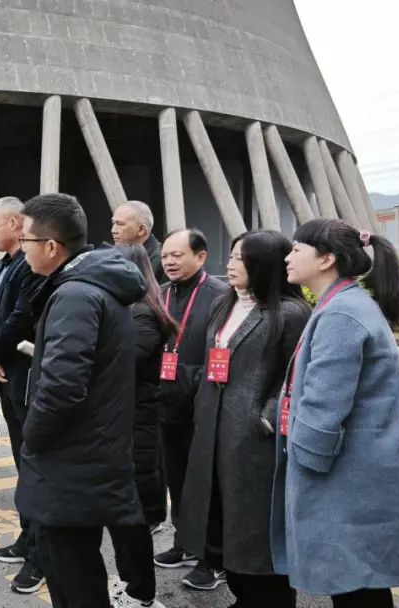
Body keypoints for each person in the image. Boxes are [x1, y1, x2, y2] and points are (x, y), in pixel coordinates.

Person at [15, 193, 156, 608]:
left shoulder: (76, 295)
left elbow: (62, 387)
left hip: (71, 461)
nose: (21, 249)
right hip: (88, 454)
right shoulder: (91, 287)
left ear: (51, 247)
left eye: (25, 240)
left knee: (72, 577)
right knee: (81, 571)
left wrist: (33, 438)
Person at [272, 219, 399, 607]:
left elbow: (324, 407)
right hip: (360, 474)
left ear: (327, 260)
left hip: (345, 479)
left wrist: (304, 464)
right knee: (364, 583)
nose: (288, 257)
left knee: (356, 587)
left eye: (297, 249)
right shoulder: (346, 304)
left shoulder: (340, 314)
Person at [174, 230, 309, 606]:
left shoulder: (291, 313)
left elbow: (297, 376)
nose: (229, 265)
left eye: (239, 258)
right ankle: (241, 594)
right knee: (222, 524)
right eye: (231, 257)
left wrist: (265, 417)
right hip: (214, 434)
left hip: (256, 444)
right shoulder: (226, 303)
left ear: (262, 265)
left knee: (256, 534)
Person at [153, 228, 229, 591]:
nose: (168, 261)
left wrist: (192, 380)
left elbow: (222, 354)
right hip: (166, 404)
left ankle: (213, 559)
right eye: (165, 255)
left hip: (203, 407)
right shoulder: (161, 293)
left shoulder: (219, 296)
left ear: (200, 257)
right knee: (178, 480)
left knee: (207, 485)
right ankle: (184, 543)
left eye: (177, 255)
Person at [0, 196, 45, 593]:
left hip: (24, 372)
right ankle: (27, 535)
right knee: (21, 458)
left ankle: (39, 552)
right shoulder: (3, 265)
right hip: (5, 371)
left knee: (33, 463)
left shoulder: (29, 266)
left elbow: (21, 317)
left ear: (17, 223)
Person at [110, 243, 174, 608]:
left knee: (131, 515)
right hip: (126, 423)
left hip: (136, 425)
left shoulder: (143, 315)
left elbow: (121, 364)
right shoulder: (130, 310)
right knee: (124, 515)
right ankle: (131, 585)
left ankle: (140, 594)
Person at [112, 201, 166, 284]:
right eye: (113, 223)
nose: (113, 230)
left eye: (120, 224)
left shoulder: (162, 259)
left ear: (141, 229)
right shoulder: (114, 256)